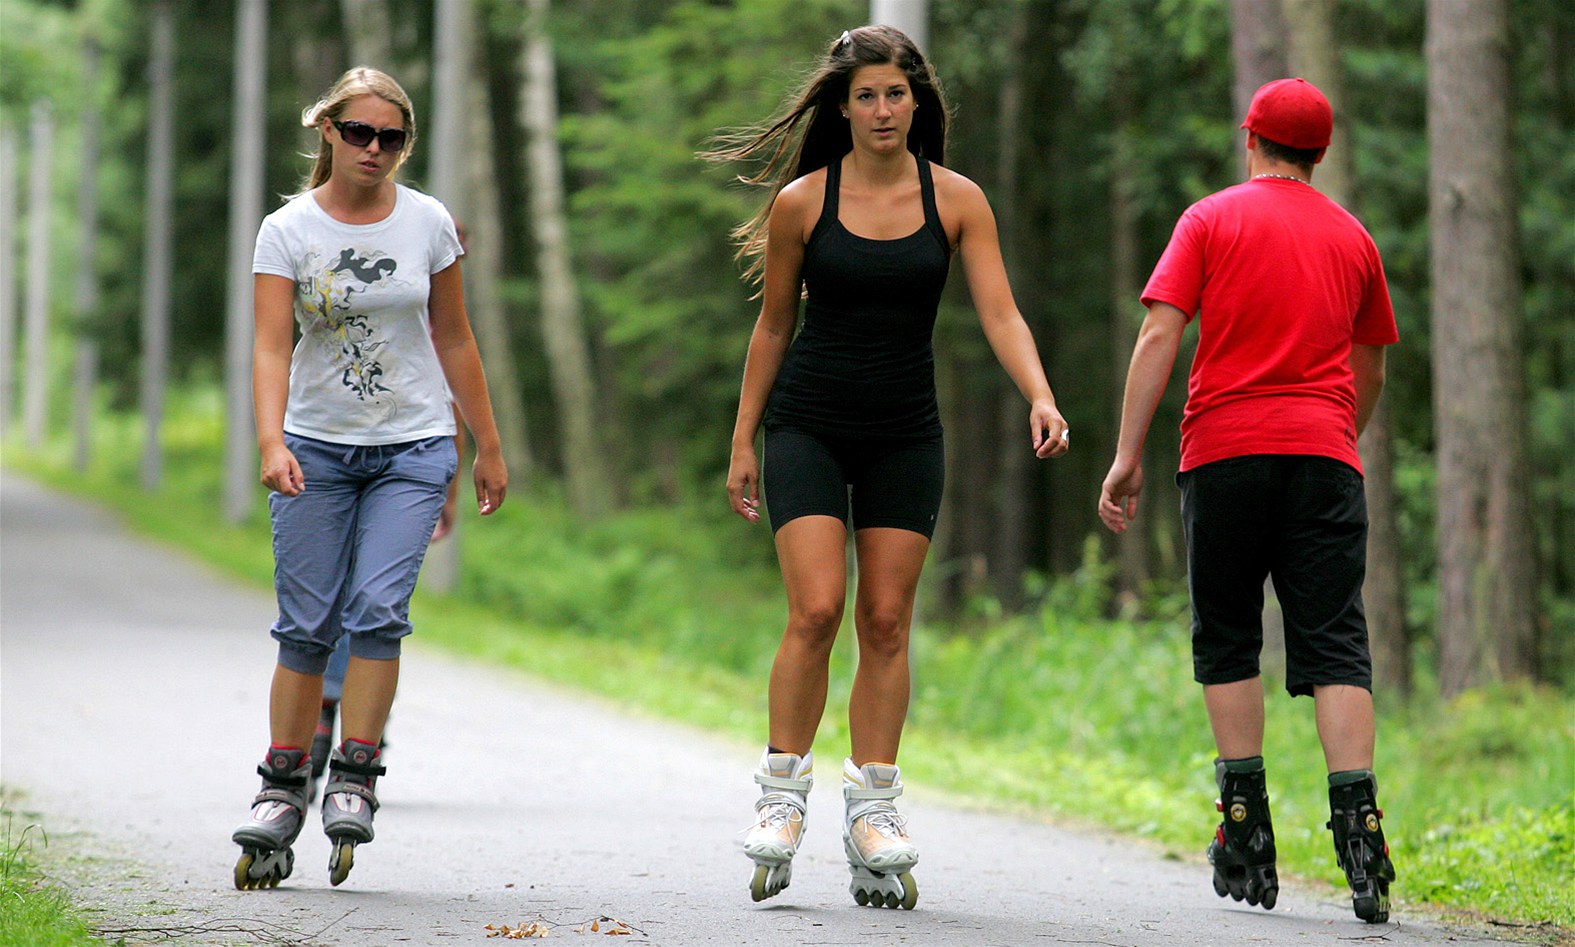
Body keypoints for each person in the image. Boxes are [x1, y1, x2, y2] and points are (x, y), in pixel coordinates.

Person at [706, 26, 1068, 909]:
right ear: (842, 106)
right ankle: (781, 795)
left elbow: (1000, 312)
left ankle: (871, 811)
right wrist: (744, 438)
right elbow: (774, 326)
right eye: (865, 96)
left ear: (916, 102)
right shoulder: (803, 202)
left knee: (887, 618)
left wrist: (1040, 393)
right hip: (808, 424)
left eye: (894, 95)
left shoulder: (957, 200)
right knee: (817, 607)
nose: (880, 110)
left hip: (905, 430)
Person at [1097, 78, 1398, 923]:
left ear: (1250, 139)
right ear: (1320, 152)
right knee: (1335, 644)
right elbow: (1371, 363)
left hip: (1224, 453)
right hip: (1323, 457)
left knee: (1228, 632)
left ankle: (1243, 826)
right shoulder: (1353, 238)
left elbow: (1160, 332)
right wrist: (1335, 433)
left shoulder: (1208, 220)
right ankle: (1360, 833)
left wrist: (1126, 455)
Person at [231, 67, 507, 890]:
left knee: (378, 610)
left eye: (390, 137)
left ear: (404, 144)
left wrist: (487, 444)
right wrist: (270, 439)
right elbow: (271, 345)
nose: (374, 149)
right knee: (306, 625)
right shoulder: (287, 229)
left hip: (411, 448)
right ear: (329, 131)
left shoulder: (428, 223)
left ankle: (354, 773)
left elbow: (454, 337)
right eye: (359, 133)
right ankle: (282, 787)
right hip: (314, 448)